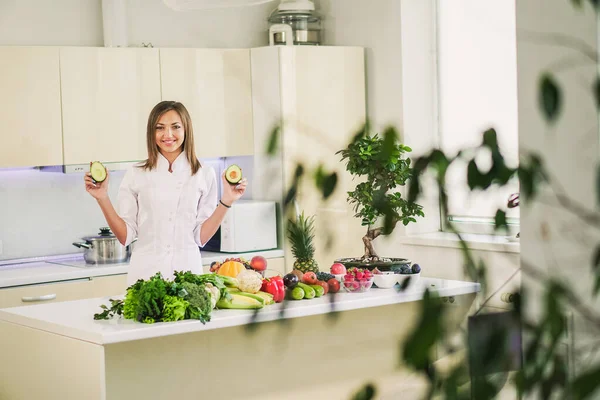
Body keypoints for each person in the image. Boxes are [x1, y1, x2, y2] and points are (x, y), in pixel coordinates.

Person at [84, 101, 247, 285]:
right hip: (145, 276)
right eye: (159, 128)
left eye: (175, 127)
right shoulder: (136, 173)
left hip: (187, 276)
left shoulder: (204, 173)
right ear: (151, 133)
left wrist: (227, 200)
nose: (168, 135)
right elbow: (125, 236)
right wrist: (102, 197)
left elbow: (201, 237)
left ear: (186, 130)